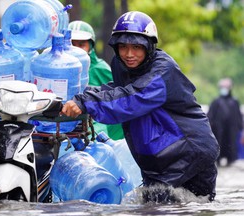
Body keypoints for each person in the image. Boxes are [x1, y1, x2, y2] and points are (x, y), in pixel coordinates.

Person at [62, 11, 219, 202]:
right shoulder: (122, 65)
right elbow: (117, 90)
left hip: (189, 154)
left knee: (186, 210)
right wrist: (77, 94)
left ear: (149, 46)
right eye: (123, 47)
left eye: (136, 47)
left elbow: (130, 100)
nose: (129, 54)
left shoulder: (163, 71)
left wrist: (86, 102)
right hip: (158, 160)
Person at [68, 20, 124, 140]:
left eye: (81, 44)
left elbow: (117, 100)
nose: (76, 49)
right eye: (72, 44)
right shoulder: (58, 68)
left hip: (97, 128)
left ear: (91, 46)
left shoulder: (100, 69)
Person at [207, 78, 243, 167]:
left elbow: (238, 117)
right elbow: (210, 116)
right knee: (219, 145)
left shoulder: (234, 101)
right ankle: (218, 160)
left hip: (231, 131)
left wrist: (241, 128)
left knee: (231, 145)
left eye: (226, 86)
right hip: (218, 130)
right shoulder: (216, 101)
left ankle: (230, 160)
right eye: (222, 86)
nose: (224, 89)